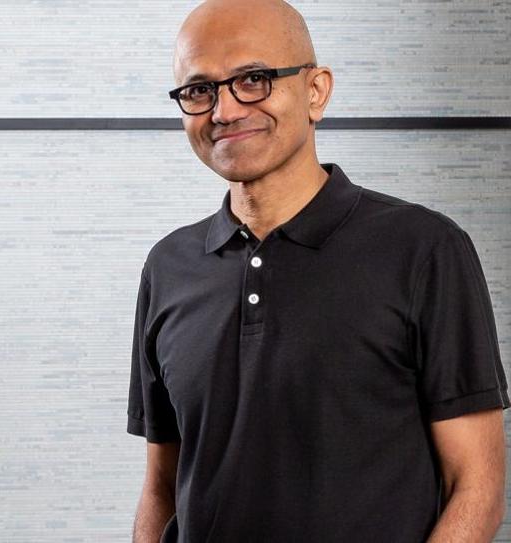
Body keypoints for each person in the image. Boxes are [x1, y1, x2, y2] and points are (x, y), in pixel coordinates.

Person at [127, 1, 508, 541]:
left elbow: (477, 485)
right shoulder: (169, 266)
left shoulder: (425, 249)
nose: (224, 110)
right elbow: (163, 486)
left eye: (254, 79)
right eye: (199, 90)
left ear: (316, 91)